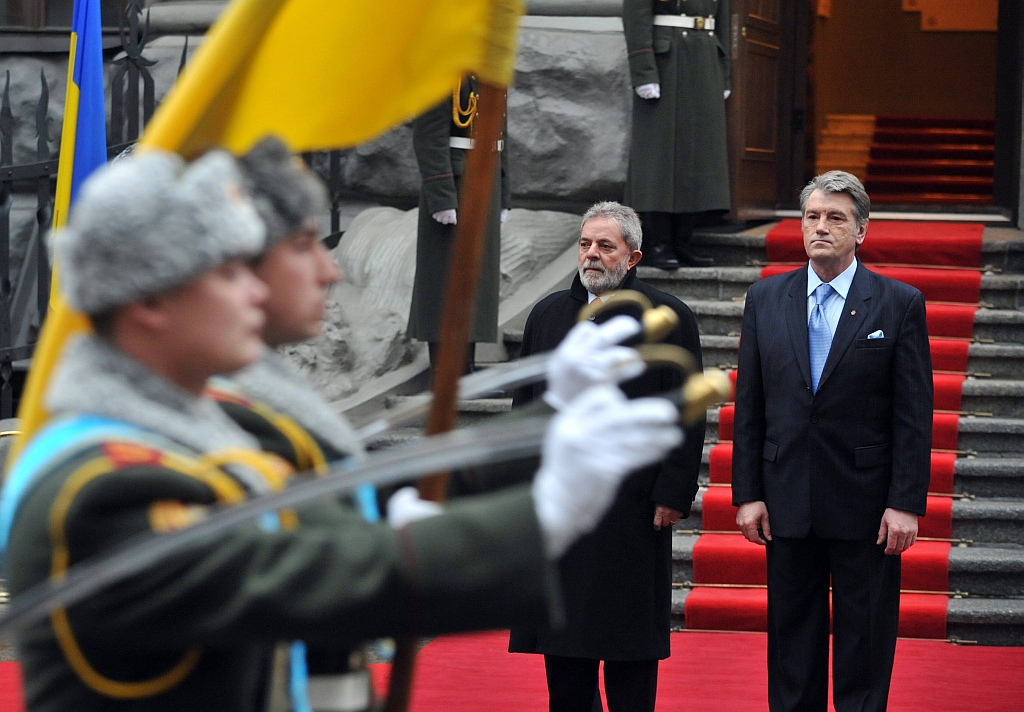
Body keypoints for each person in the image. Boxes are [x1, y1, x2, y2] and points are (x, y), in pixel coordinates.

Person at [0, 151, 684, 712]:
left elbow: (354, 501)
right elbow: (321, 571)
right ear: (149, 302)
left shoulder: (196, 430)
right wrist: (541, 511)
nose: (261, 291)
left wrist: (543, 427)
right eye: (232, 272)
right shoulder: (101, 484)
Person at [732, 171, 933, 712]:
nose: (820, 227)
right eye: (812, 217)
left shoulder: (898, 303)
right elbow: (750, 405)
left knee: (864, 644)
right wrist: (747, 491)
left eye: (835, 218)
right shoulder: (766, 298)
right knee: (792, 645)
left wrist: (905, 503)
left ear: (860, 231)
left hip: (867, 504)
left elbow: (914, 416)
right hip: (786, 497)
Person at [507, 201, 705, 712]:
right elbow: (525, 406)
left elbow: (687, 411)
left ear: (633, 256)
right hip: (559, 506)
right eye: (585, 243)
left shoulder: (667, 318)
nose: (591, 254)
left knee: (628, 651)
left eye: (605, 246)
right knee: (564, 648)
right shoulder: (548, 314)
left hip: (633, 508)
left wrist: (673, 491)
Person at [407, 75, 510, 372]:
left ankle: (466, 365)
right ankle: (446, 371)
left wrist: (503, 194)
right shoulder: (446, 69)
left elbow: (501, 137)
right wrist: (441, 196)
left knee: (478, 280)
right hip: (457, 184)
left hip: (485, 181)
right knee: (445, 280)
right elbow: (427, 136)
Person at [622, 0, 731, 269]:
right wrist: (643, 70)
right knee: (659, 154)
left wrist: (724, 75)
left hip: (704, 59)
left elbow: (724, 23)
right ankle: (658, 243)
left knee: (696, 154)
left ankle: (683, 242)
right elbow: (636, 17)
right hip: (666, 63)